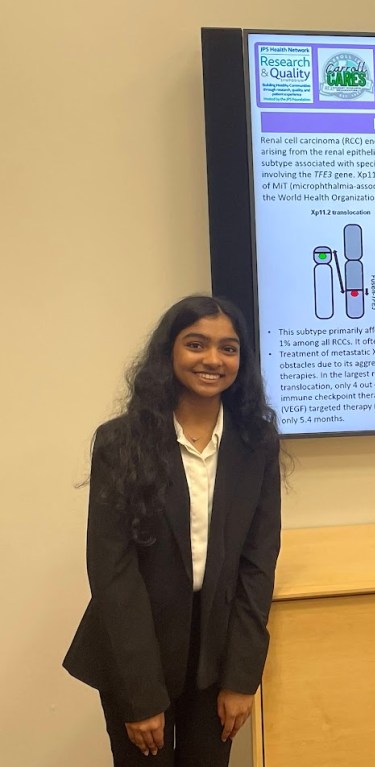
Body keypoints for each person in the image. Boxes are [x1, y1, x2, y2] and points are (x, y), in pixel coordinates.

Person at [63, 295, 282, 765]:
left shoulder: (256, 443)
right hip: (137, 650)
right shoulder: (120, 442)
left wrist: (242, 678)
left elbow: (258, 563)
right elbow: (113, 574)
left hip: (216, 653)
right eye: (196, 344)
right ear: (169, 352)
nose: (213, 359)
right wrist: (140, 694)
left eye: (228, 348)